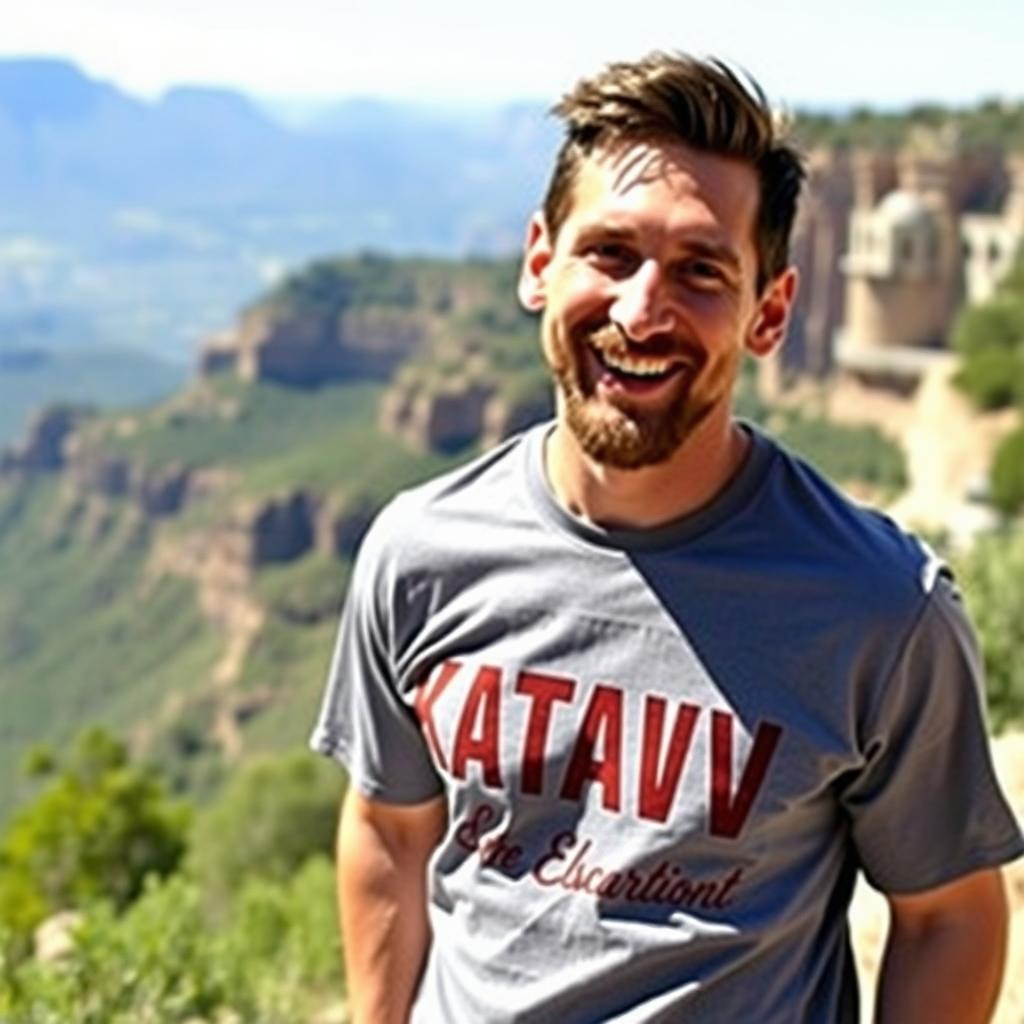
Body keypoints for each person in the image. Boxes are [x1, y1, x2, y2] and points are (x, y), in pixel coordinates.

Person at [310, 52, 1023, 1023]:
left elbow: (947, 913)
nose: (641, 310)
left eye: (699, 270)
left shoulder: (880, 606)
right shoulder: (418, 551)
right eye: (608, 252)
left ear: (767, 311)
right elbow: (391, 830)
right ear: (537, 263)